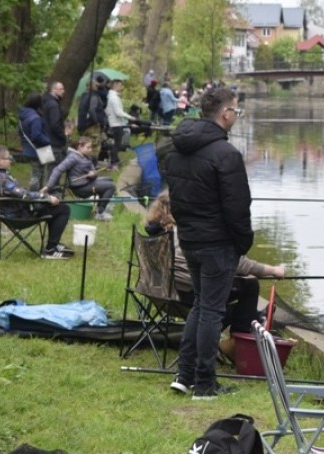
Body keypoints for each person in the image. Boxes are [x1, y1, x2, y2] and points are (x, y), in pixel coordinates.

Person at [164, 87, 253, 400]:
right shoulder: (226, 155)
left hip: (188, 238)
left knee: (201, 305)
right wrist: (243, 242)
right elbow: (238, 207)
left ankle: (184, 375)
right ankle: (204, 384)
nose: (236, 117)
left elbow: (175, 198)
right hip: (217, 244)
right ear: (226, 113)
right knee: (212, 310)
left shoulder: (176, 149)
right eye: (236, 111)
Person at [144, 190, 285, 361]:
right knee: (249, 284)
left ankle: (252, 321)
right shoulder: (188, 233)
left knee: (235, 291)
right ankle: (236, 342)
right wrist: (274, 270)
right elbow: (239, 264)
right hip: (188, 295)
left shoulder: (156, 232)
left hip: (159, 293)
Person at [0, 144, 74, 260]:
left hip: (10, 212)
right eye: (8, 158)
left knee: (54, 206)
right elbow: (24, 195)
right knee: (63, 209)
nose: (11, 160)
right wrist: (46, 197)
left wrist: (42, 197)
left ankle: (53, 245)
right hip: (19, 216)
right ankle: (50, 249)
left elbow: (19, 193)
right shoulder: (1, 178)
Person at [42, 136, 116, 221]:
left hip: (88, 182)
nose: (90, 150)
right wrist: (49, 186)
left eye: (91, 147)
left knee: (109, 180)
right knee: (111, 186)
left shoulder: (87, 157)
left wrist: (93, 174)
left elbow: (93, 171)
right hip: (81, 188)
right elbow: (57, 170)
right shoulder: (73, 158)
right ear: (80, 147)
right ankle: (100, 213)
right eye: (88, 147)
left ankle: (101, 207)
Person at [18, 92, 52, 192]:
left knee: (39, 173)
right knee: (38, 175)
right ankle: (34, 197)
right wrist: (48, 141)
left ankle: (39, 195)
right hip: (39, 149)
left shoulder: (23, 116)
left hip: (29, 148)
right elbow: (36, 136)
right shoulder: (35, 118)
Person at [104, 79, 136, 170]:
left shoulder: (113, 96)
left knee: (116, 144)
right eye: (120, 85)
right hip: (116, 124)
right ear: (115, 85)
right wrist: (129, 117)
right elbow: (118, 112)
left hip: (116, 123)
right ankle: (113, 164)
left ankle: (115, 161)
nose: (121, 87)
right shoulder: (113, 98)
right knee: (116, 145)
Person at [77, 76, 108, 161]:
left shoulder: (84, 95)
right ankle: (91, 166)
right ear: (92, 86)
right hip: (92, 127)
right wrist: (96, 121)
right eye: (96, 84)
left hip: (83, 126)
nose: (98, 86)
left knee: (84, 147)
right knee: (93, 148)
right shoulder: (93, 96)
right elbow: (92, 109)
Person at [41, 81, 71, 167]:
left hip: (44, 140)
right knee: (54, 170)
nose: (63, 91)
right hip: (54, 143)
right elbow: (55, 124)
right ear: (53, 89)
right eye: (61, 89)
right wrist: (63, 135)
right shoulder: (53, 105)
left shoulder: (44, 102)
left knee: (44, 169)